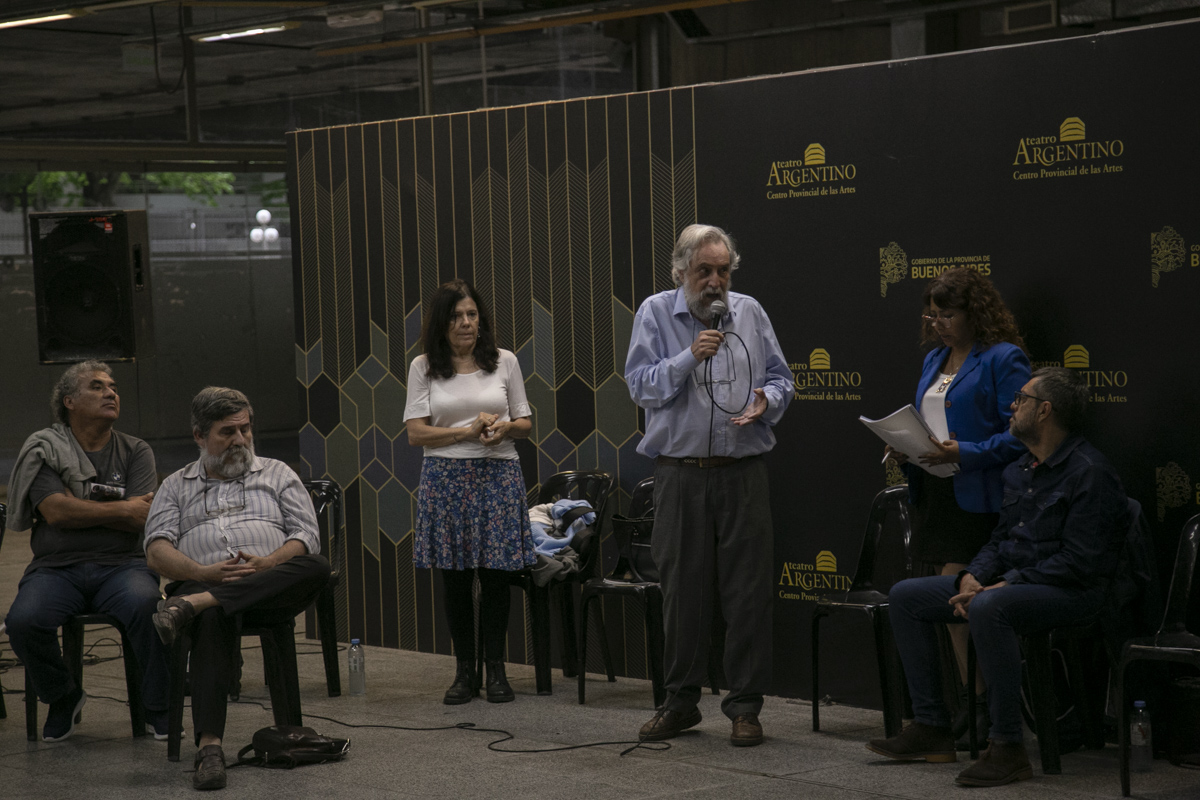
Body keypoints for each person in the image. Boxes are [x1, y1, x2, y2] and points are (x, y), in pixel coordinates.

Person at [867, 367, 1129, 787]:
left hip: (1072, 591)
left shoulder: (1089, 472)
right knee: (906, 596)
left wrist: (1005, 584)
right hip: (1012, 583)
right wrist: (973, 575)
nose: (1012, 406)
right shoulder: (1020, 468)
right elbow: (1001, 539)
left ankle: (1007, 747)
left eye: (1021, 399)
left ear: (1044, 410)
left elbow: (1081, 562)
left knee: (990, 606)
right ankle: (932, 726)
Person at [624, 223, 792, 747]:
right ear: (681, 272)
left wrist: (767, 400)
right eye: (704, 271)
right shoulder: (655, 313)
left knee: (748, 594)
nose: (715, 282)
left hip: (742, 473)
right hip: (680, 475)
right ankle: (679, 703)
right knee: (682, 595)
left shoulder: (751, 313)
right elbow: (640, 386)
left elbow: (782, 379)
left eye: (723, 271)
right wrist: (688, 357)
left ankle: (745, 708)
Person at [144, 387, 330, 791]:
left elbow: (306, 536)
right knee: (215, 614)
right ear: (199, 436)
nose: (240, 439)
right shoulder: (175, 485)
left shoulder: (278, 473)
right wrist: (203, 572)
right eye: (227, 432)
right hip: (200, 579)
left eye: (245, 429)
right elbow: (156, 550)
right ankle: (210, 749)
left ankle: (195, 604)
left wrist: (268, 563)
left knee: (316, 566)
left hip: (270, 587)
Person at [886, 267, 1030, 745]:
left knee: (959, 602)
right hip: (934, 493)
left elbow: (1020, 434)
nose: (938, 324)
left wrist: (965, 453)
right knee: (947, 607)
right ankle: (971, 706)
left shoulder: (1002, 358)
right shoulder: (935, 358)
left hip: (978, 496)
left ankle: (986, 712)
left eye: (947, 315)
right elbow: (928, 424)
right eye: (932, 315)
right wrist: (905, 447)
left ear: (975, 312)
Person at [5, 360, 169, 741]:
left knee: (150, 607)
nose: (111, 392)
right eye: (97, 386)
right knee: (23, 622)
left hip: (123, 566)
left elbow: (142, 517)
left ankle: (158, 706)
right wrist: (121, 508)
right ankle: (64, 696)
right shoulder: (45, 448)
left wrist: (81, 507)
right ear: (69, 402)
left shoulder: (136, 450)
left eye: (113, 387)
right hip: (56, 567)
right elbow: (56, 513)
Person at [403, 278, 535, 705]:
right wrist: (466, 432)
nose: (466, 323)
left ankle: (495, 670)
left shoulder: (505, 361)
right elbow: (416, 434)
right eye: (457, 316)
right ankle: (464, 673)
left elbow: (525, 423)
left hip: (498, 476)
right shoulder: (423, 366)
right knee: (456, 581)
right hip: (445, 480)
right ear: (442, 323)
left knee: (496, 579)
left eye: (472, 314)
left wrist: (505, 428)